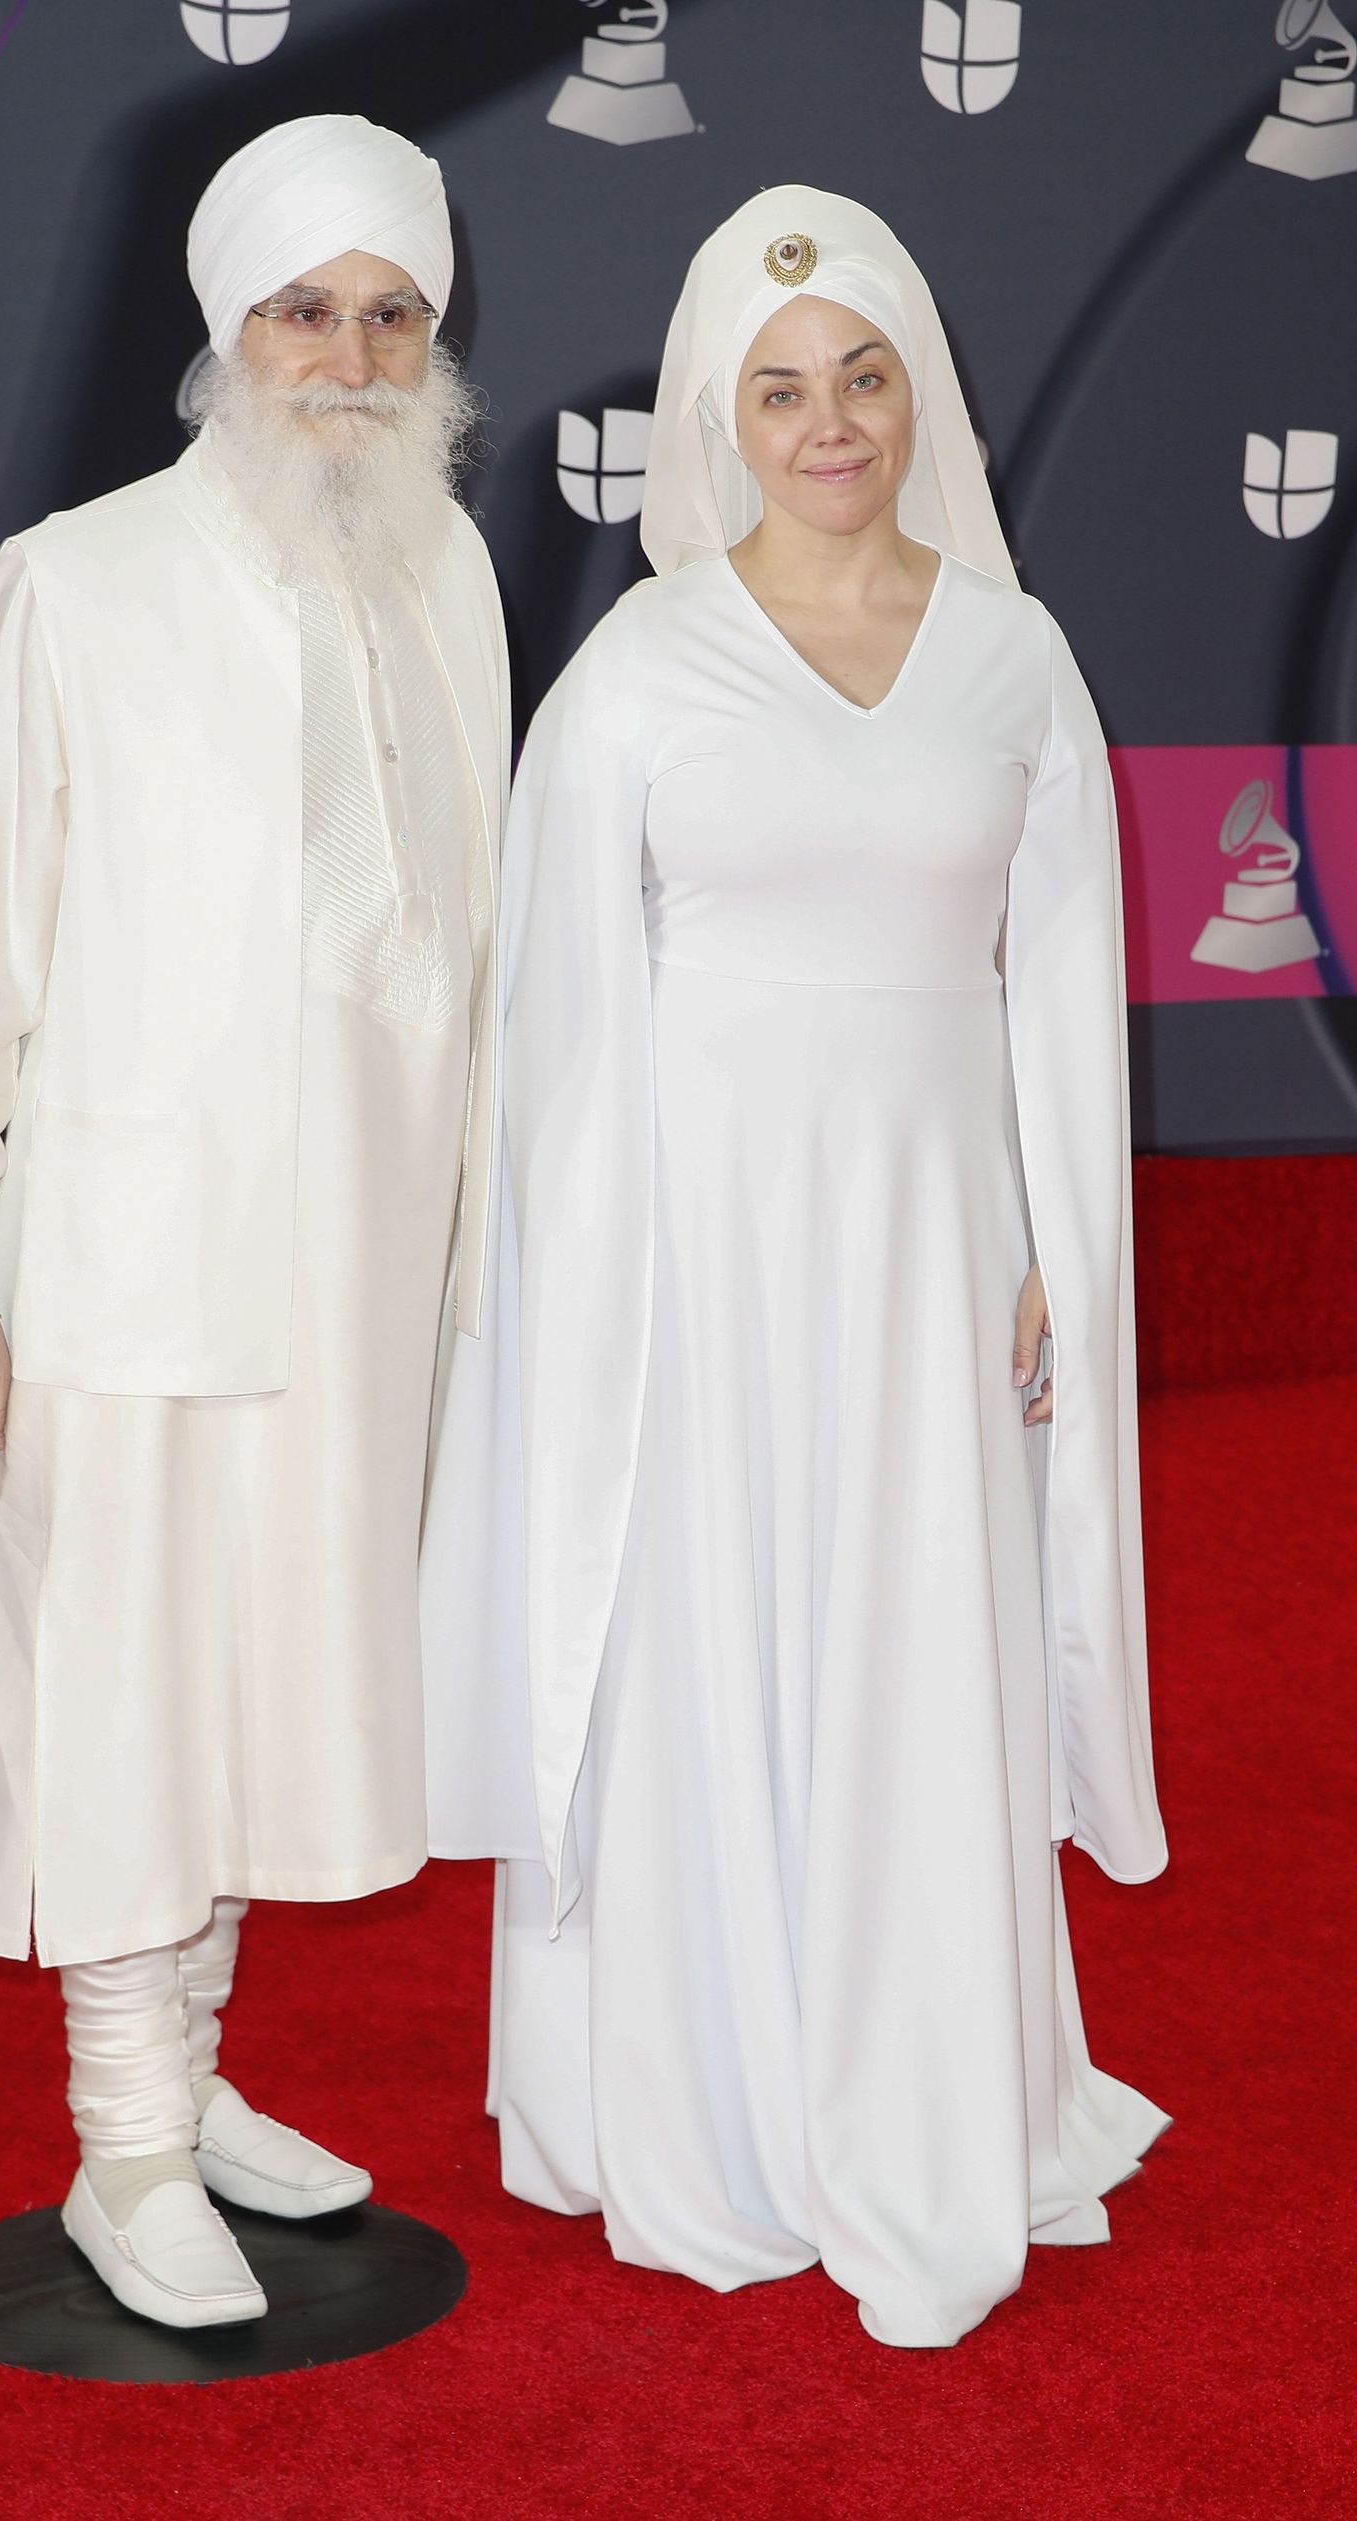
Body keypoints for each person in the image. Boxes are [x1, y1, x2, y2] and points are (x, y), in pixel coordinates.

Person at [421, 188, 1168, 2350]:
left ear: (915, 387)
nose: (826, 420)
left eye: (860, 375)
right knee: (709, 1638)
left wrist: (1046, 1233)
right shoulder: (638, 668)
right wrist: (569, 1310)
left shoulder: (1014, 659)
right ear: (714, 415)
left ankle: (922, 2088)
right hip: (691, 1267)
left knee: (911, 1628)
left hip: (932, 1257)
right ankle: (710, 2099)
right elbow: (551, 1036)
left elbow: (1058, 985)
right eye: (777, 387)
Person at [0, 114, 508, 2329]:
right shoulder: (79, 579)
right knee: (129, 1699)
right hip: (127, 1273)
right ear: (225, 329)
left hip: (356, 1273)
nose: (344, 356)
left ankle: (199, 2077)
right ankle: (122, 2142)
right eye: (302, 310)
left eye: (388, 314)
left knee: (262, 1690)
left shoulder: (445, 571)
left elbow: (473, 946)